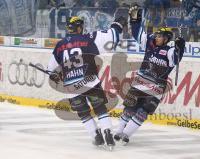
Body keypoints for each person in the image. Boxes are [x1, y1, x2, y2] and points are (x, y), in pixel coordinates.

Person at [47, 16, 127, 149]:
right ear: (79, 28)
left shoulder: (60, 45)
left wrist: (56, 75)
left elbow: (51, 70)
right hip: (90, 81)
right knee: (100, 109)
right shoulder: (89, 38)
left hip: (72, 86)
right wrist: (117, 25)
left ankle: (97, 137)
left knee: (84, 113)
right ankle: (108, 134)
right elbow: (112, 36)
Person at [114, 5, 186, 144]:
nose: (157, 37)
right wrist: (135, 21)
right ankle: (118, 132)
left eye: (160, 36)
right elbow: (137, 33)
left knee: (143, 111)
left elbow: (176, 60)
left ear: (166, 39)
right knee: (129, 108)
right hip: (140, 83)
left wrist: (180, 47)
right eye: (157, 35)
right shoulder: (149, 44)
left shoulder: (170, 51)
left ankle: (126, 134)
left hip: (156, 87)